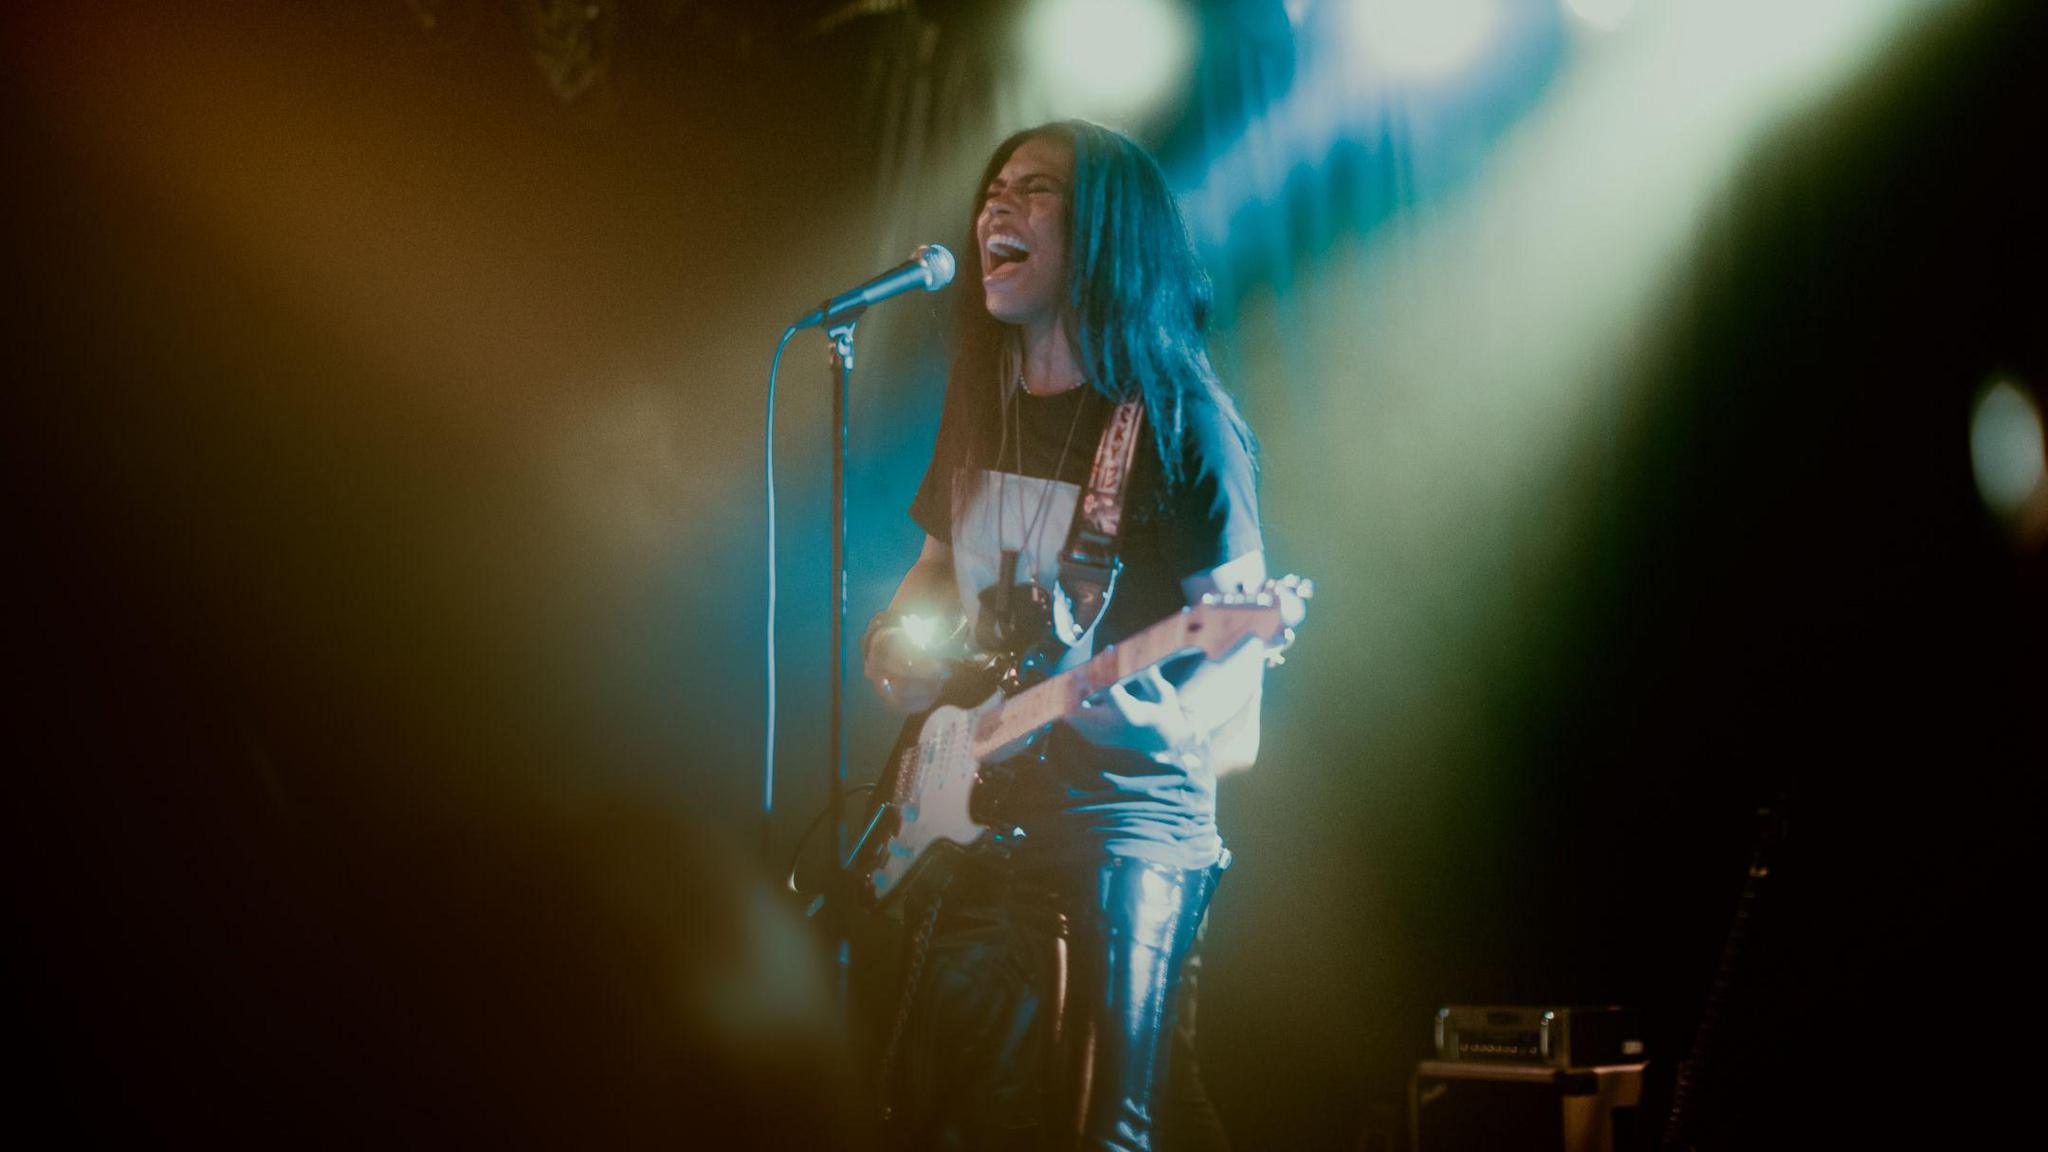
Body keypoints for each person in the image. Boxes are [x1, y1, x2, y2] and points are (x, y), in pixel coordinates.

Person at [862, 120, 1265, 1152]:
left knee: (1101, 1131)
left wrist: (1162, 722)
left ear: (1104, 234)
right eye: (991, 189)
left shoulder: (1179, 418)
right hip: (973, 801)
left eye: (1031, 191)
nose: (994, 206)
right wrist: (898, 651)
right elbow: (937, 572)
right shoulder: (981, 395)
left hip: (1121, 817)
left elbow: (1240, 646)